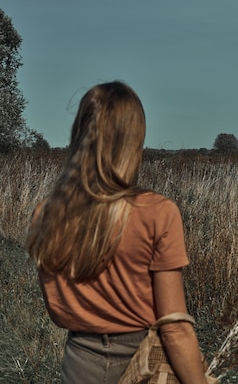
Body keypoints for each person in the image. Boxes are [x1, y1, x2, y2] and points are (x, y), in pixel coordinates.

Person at [27, 81, 217, 384]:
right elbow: (174, 327)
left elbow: (58, 311)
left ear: (80, 133)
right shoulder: (158, 212)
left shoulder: (47, 214)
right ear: (133, 140)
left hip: (79, 362)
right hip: (143, 365)